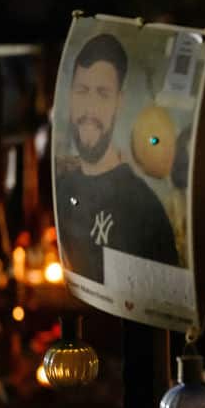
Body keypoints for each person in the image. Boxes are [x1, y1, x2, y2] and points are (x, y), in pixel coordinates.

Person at [55, 33, 178, 282]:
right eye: (82, 91)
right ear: (69, 96)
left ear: (118, 103)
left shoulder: (146, 210)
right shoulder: (60, 187)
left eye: (102, 94)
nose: (89, 109)